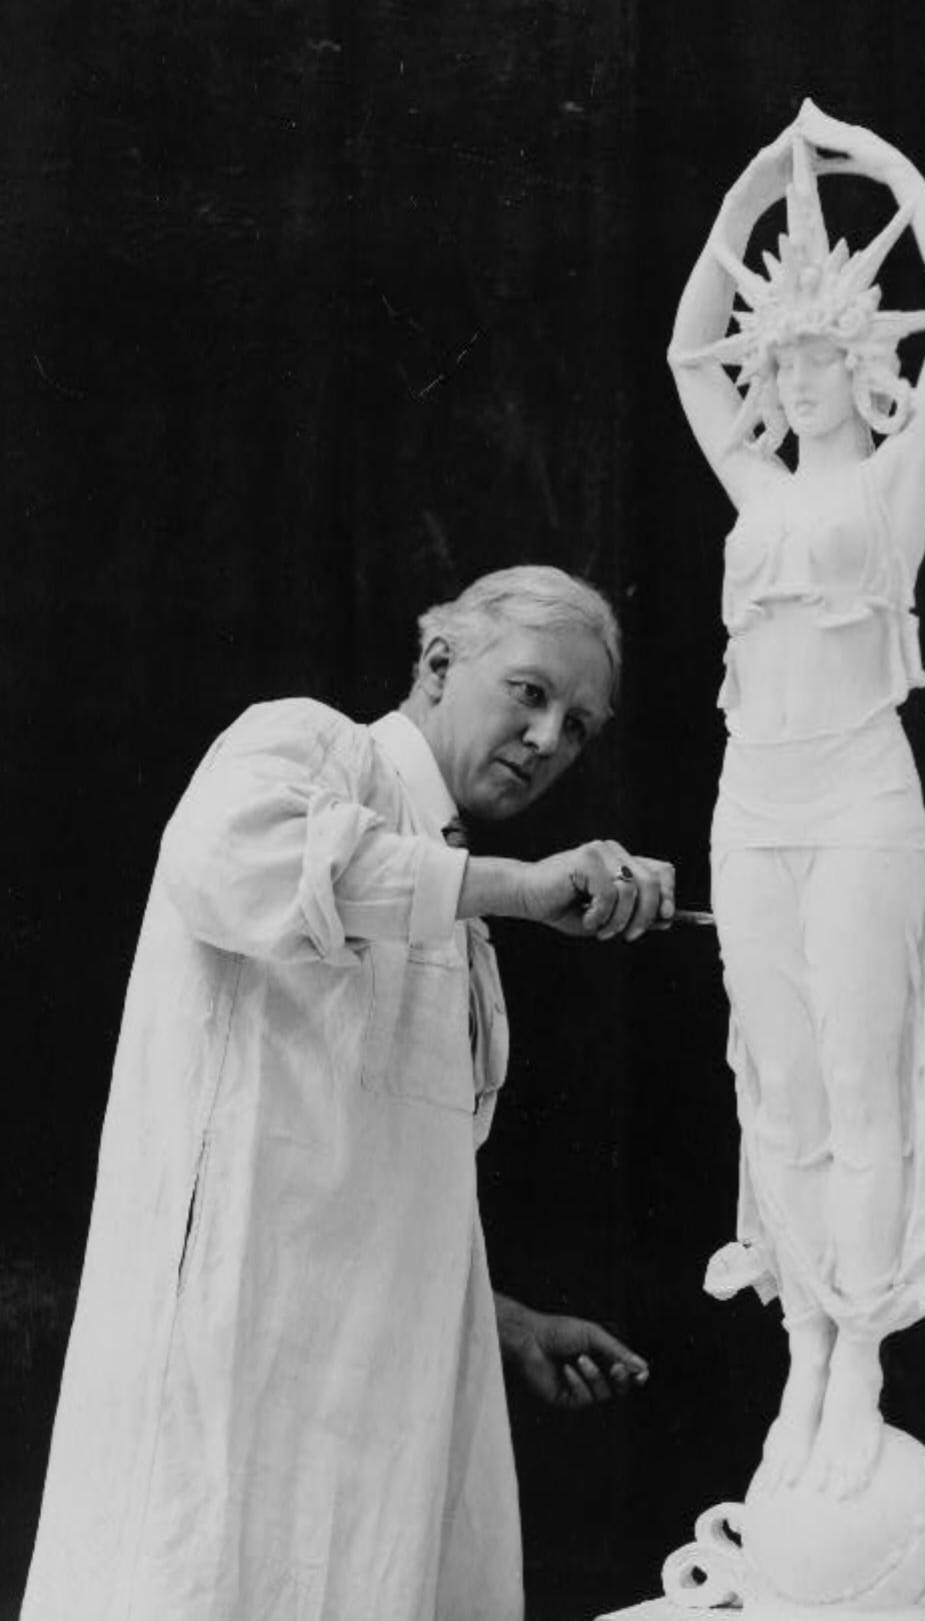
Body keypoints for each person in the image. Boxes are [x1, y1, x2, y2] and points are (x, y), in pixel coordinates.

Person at [21, 564, 675, 1621]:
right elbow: (224, 857)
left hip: (377, 1427)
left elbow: (374, 1182)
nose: (549, 737)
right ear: (439, 662)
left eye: (580, 726)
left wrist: (500, 1321)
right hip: (238, 1398)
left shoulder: (452, 901)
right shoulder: (311, 749)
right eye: (530, 692)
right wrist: (515, 886)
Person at [667, 101, 925, 1499]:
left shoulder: (894, 481)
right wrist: (747, 195)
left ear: (861, 362)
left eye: (820, 354)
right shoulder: (751, 484)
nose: (796, 376)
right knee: (781, 1084)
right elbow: (689, 351)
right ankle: (804, 1346)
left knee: (866, 1082)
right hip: (752, 803)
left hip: (863, 796)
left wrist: (886, 166)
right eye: (783, 356)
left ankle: (861, 1352)